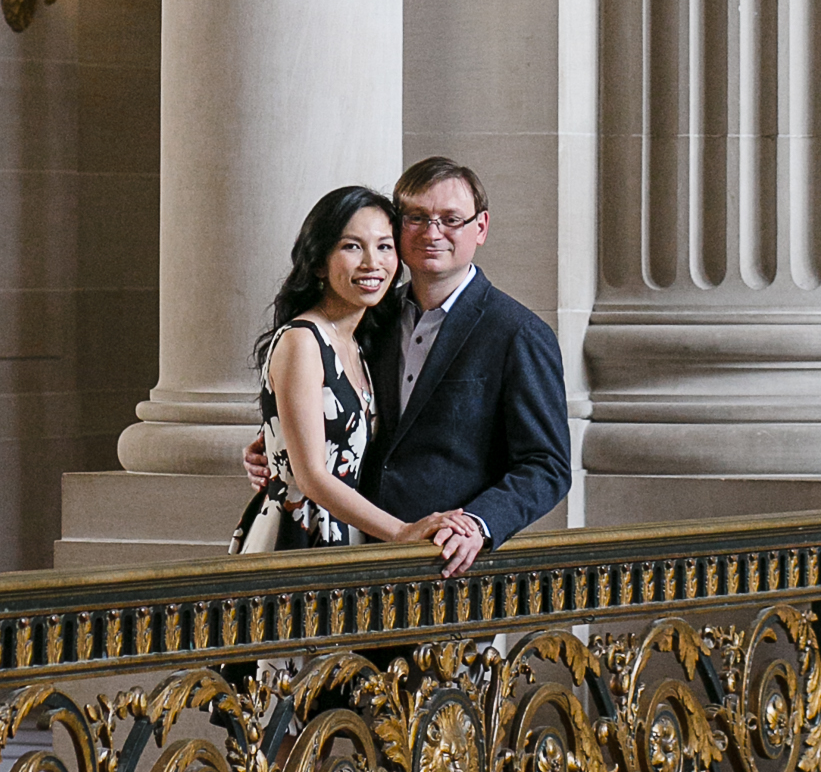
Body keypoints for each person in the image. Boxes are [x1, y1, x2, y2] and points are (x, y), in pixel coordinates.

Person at [241, 155, 571, 577]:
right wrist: (275, 444)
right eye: (416, 217)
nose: (433, 233)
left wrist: (476, 524)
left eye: (451, 219)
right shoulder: (371, 318)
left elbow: (547, 465)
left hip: (443, 562)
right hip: (350, 549)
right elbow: (335, 409)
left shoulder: (518, 332)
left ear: (481, 228)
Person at [230, 185, 451, 557]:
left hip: (345, 534)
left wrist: (271, 443)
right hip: (296, 534)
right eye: (352, 246)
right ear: (319, 262)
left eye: (384, 246)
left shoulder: (359, 342)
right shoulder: (303, 340)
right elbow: (312, 476)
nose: (372, 263)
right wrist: (403, 532)